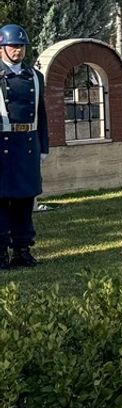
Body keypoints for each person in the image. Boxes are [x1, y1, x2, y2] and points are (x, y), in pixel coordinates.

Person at [0, 25, 49, 268]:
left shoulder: (35, 77)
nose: (17, 50)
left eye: (21, 46)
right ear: (2, 48)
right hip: (2, 146)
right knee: (1, 202)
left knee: (24, 201)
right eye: (12, 46)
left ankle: (22, 249)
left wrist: (44, 147)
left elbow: (43, 115)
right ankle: (1, 252)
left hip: (28, 145)